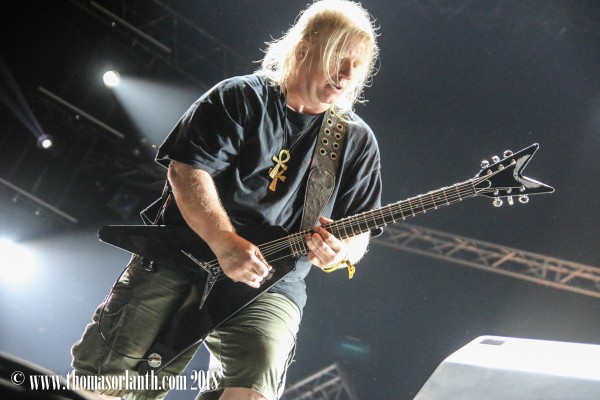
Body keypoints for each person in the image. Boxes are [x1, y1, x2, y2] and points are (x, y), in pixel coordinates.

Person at [70, 1, 382, 399]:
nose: (348, 75)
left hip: (272, 281)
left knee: (257, 378)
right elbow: (186, 172)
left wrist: (340, 253)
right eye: (340, 57)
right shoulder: (240, 97)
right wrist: (224, 241)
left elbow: (359, 231)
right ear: (304, 49)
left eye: (358, 64)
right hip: (183, 253)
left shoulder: (355, 140)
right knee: (107, 381)